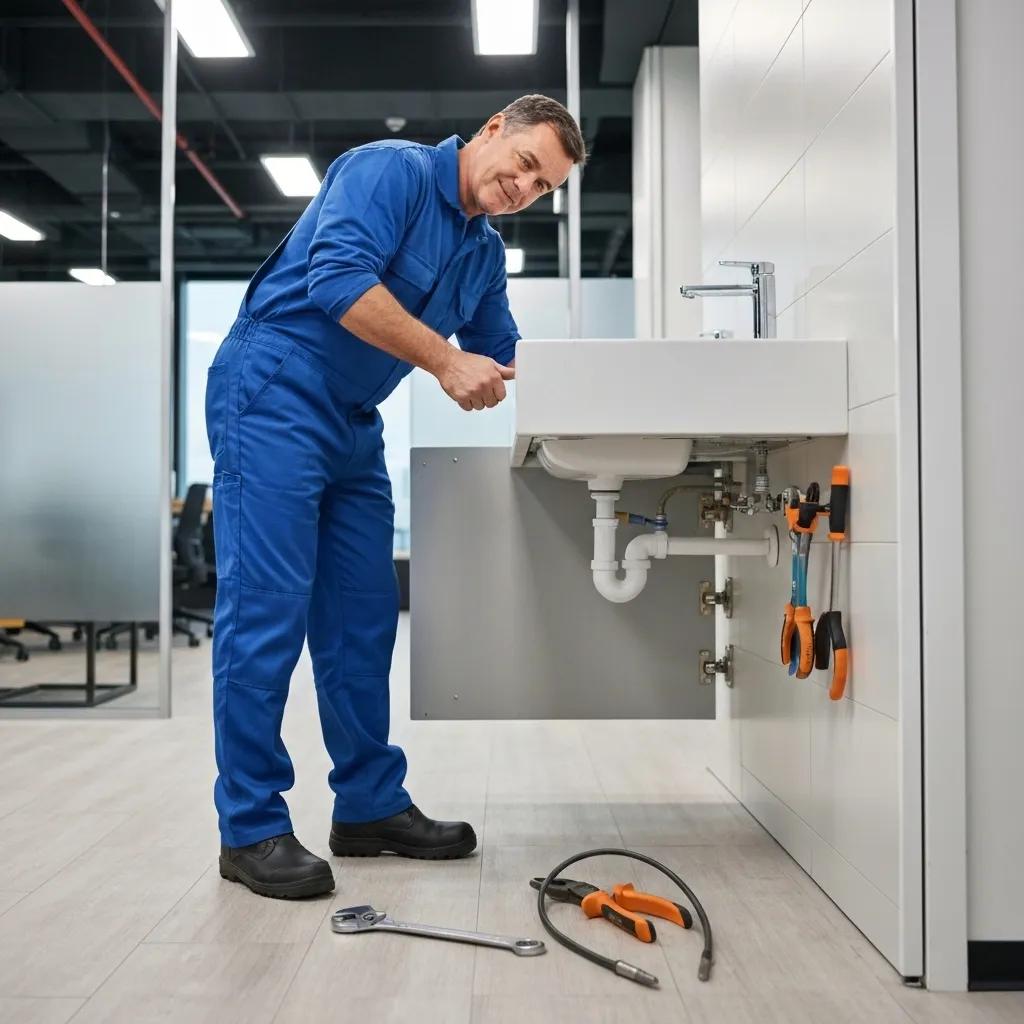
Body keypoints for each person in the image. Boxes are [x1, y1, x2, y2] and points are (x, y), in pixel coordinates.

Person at [208, 94, 586, 898]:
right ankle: (249, 827)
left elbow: (502, 349)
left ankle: (369, 806)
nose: (524, 185)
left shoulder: (483, 255)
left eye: (543, 186)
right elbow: (338, 279)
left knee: (362, 617)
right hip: (273, 389)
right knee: (267, 607)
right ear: (492, 131)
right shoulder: (392, 173)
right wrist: (445, 363)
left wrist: (597, 396)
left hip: (350, 422)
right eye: (523, 162)